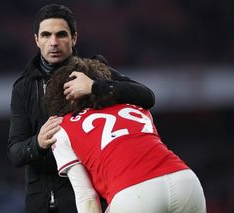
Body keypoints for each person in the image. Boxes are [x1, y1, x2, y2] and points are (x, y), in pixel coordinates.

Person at [7, 4, 155, 213]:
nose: (53, 42)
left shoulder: (92, 70)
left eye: (61, 35)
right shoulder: (23, 87)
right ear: (36, 40)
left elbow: (146, 96)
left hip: (89, 199)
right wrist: (37, 143)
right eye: (46, 35)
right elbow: (15, 153)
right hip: (39, 204)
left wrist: (95, 86)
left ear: (74, 38)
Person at [45, 57, 207, 213]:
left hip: (135, 193)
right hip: (186, 182)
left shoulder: (61, 127)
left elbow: (86, 197)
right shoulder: (136, 107)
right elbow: (143, 94)